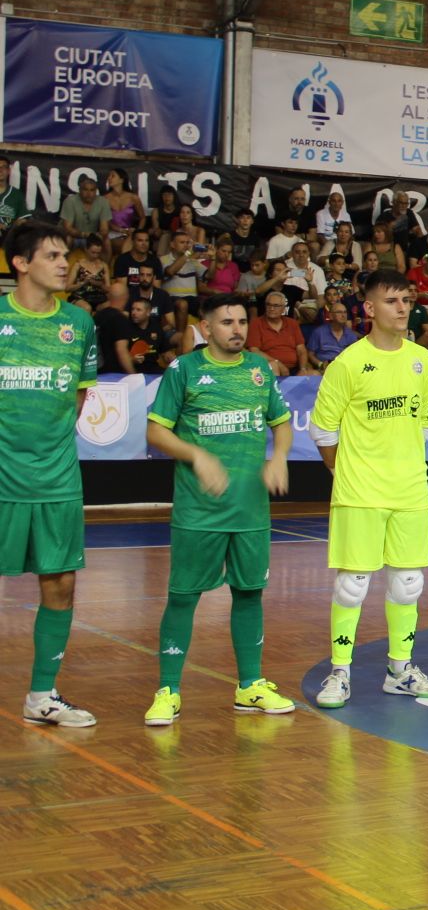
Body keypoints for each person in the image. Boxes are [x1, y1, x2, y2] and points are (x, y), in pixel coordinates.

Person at [140, 294, 295, 726]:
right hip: (199, 511)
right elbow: (156, 431)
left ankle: (250, 686)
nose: (237, 329)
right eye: (226, 322)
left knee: (249, 592)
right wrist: (197, 456)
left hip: (250, 509)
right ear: (206, 328)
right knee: (183, 596)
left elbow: (280, 424)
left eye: (242, 321)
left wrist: (279, 457)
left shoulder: (259, 369)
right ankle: (168, 689)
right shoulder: (185, 370)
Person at [309, 269, 428, 708]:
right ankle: (339, 672)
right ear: (369, 309)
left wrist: (396, 462)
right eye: (391, 301)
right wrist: (348, 473)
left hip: (409, 491)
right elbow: (323, 431)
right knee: (353, 584)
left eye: (406, 300)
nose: (402, 308)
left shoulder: (422, 361)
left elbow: (426, 425)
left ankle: (400, 670)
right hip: (359, 492)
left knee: (408, 583)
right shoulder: (347, 363)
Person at [2, 223, 100, 727]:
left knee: (60, 584)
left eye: (67, 255)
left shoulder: (80, 324)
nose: (65, 264)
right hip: (2, 478)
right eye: (53, 255)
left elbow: (78, 397)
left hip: (58, 478)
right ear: (21, 263)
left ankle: (42, 695)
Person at [247, 291, 310, 377]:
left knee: (315, 375)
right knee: (274, 368)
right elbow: (254, 351)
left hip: (295, 368)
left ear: (284, 309)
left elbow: (301, 350)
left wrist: (303, 369)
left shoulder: (292, 324)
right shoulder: (256, 324)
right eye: (268, 305)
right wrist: (278, 363)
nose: (271, 308)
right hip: (269, 366)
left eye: (276, 306)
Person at [59, 176, 111, 244]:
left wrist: (99, 235)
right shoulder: (70, 201)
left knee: (106, 240)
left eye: (92, 190)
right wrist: (83, 234)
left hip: (93, 238)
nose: (89, 193)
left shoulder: (103, 202)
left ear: (96, 191)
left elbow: (104, 228)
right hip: (74, 237)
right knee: (68, 238)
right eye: (85, 189)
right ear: (80, 190)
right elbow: (68, 228)